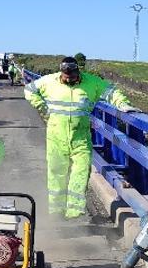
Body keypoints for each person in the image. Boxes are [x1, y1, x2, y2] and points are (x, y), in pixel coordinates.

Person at [24, 56, 136, 221]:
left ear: (78, 72)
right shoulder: (49, 81)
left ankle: (74, 212)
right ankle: (56, 211)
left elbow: (111, 92)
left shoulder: (92, 82)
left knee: (81, 172)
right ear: (61, 72)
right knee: (56, 173)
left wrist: (123, 104)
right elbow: (29, 89)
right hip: (56, 137)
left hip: (81, 138)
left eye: (72, 76)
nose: (69, 79)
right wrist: (41, 105)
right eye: (66, 76)